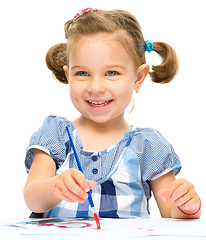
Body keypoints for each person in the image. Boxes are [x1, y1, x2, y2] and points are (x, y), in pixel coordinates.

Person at [24, 8, 201, 219]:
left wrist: (186, 205)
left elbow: (171, 213)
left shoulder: (148, 146)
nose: (96, 87)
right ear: (68, 74)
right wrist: (55, 186)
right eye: (82, 73)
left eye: (112, 73)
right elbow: (32, 197)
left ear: (138, 78)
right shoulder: (56, 134)